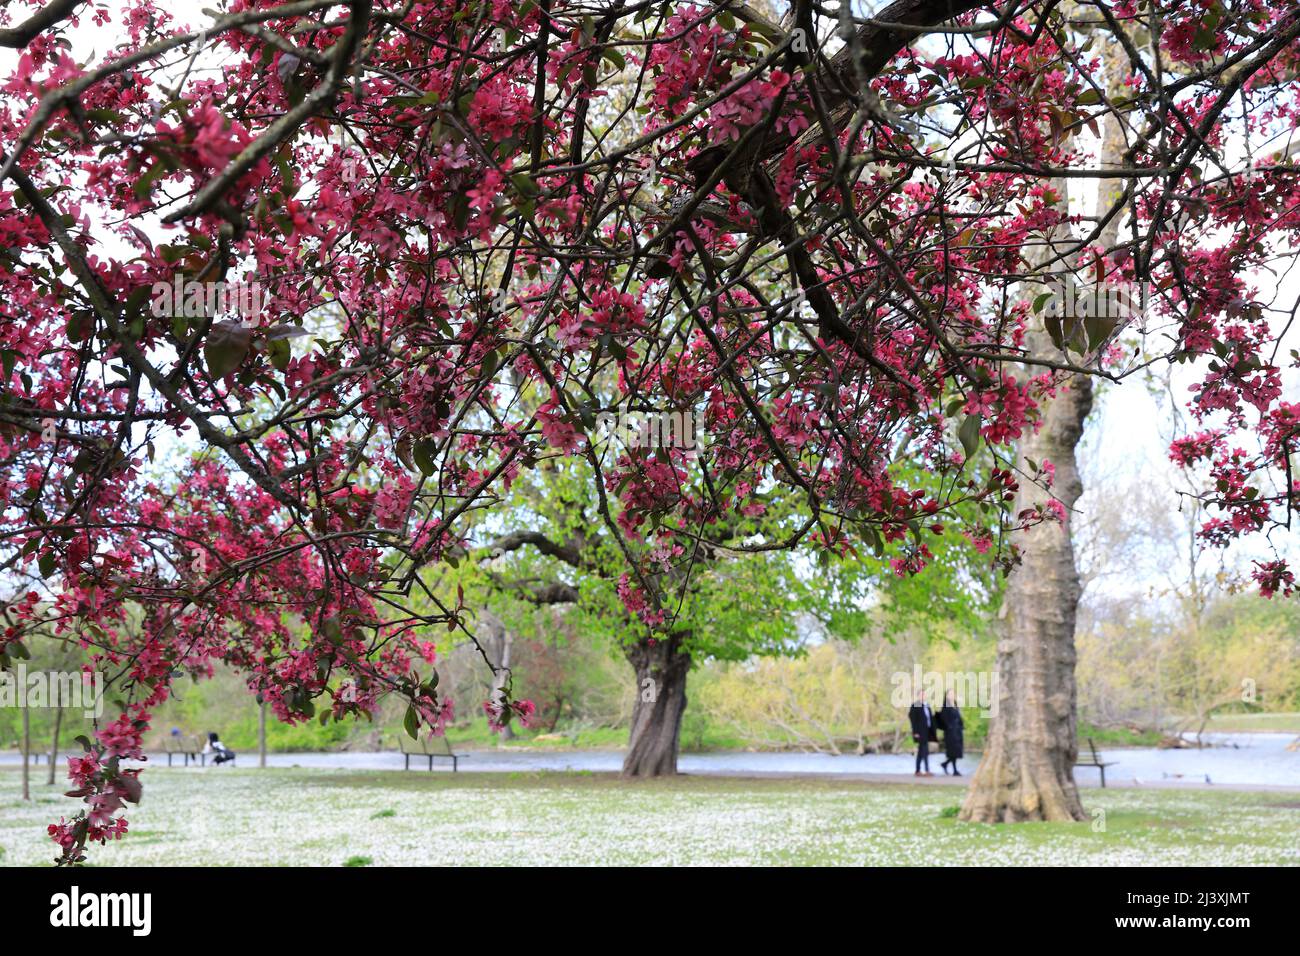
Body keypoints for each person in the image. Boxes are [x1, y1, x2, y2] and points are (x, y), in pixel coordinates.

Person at [908, 691, 936, 777]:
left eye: (924, 694)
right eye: (921, 695)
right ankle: (927, 770)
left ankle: (917, 770)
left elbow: (930, 719)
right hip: (920, 732)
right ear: (918, 696)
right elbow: (913, 720)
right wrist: (915, 732)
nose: (923, 696)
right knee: (925, 751)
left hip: (927, 731)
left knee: (921, 752)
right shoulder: (915, 705)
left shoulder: (927, 705)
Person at [937, 690, 964, 776]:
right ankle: (954, 770)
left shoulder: (955, 705)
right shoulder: (946, 706)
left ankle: (945, 764)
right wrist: (949, 727)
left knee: (957, 750)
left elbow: (958, 717)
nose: (952, 695)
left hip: (958, 731)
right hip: (950, 732)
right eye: (950, 694)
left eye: (953, 693)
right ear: (947, 695)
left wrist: (961, 725)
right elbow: (943, 718)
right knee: (953, 750)